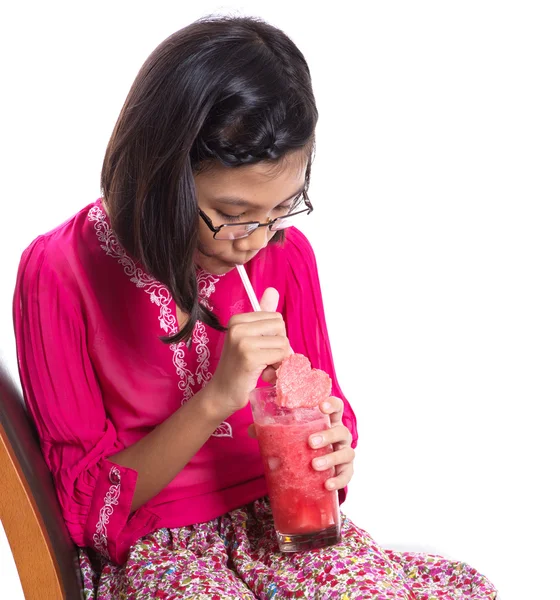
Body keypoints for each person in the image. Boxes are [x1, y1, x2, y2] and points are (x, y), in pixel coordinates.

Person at [13, 14, 497, 600]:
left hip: (282, 529)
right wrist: (216, 397)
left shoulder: (286, 257)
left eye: (282, 209)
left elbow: (328, 404)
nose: (257, 240)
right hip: (154, 549)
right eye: (234, 213)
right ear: (161, 175)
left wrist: (336, 448)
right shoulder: (59, 273)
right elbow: (84, 505)